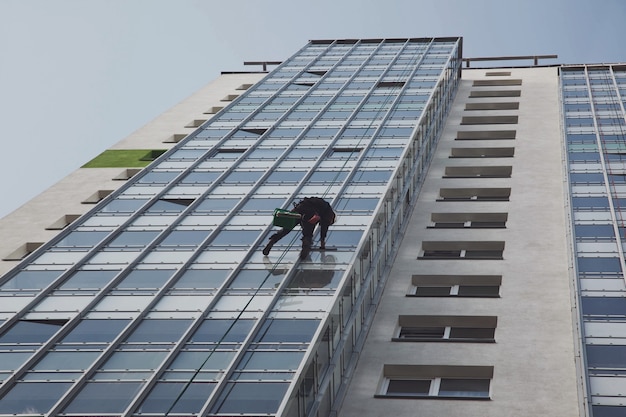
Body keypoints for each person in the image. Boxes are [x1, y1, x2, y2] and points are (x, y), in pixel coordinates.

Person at [263, 197, 336, 259]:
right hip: (310, 212)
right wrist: (322, 244)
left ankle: (272, 241)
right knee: (308, 234)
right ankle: (304, 250)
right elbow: (324, 228)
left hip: (299, 208)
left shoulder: (321, 204)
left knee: (286, 229)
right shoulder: (328, 214)